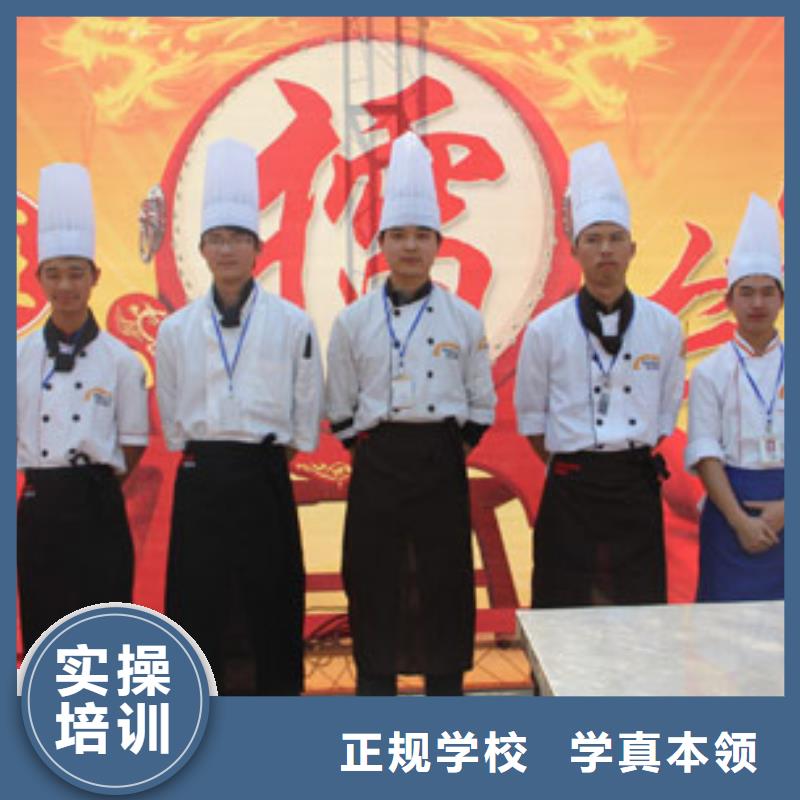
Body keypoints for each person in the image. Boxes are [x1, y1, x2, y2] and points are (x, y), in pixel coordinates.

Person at [326, 131, 496, 696]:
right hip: (377, 464)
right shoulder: (353, 321)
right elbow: (340, 407)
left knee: (444, 582)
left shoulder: (464, 318)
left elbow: (480, 404)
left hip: (440, 463)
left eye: (422, 235)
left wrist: (443, 449)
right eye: (398, 235)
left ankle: (445, 696)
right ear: (381, 243)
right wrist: (375, 448)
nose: (410, 247)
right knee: (373, 579)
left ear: (438, 244)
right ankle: (375, 693)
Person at [155, 138, 323, 695]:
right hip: (200, 477)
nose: (227, 250)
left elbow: (304, 411)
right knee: (198, 604)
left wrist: (260, 459)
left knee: (270, 603)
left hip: (264, 475)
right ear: (203, 249)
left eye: (238, 238)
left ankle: (274, 722)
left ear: (258, 248)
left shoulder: (293, 323)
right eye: (217, 239)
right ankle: (202, 716)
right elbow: (172, 414)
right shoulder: (174, 330)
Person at [514, 141, 684, 609]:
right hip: (571, 486)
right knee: (563, 607)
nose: (605, 249)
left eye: (615, 238)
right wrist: (576, 458)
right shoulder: (545, 329)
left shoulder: (665, 327)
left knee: (640, 606)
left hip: (635, 484)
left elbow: (664, 414)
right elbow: (533, 421)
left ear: (632, 248)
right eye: (593, 239)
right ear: (575, 249)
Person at [17, 162, 149, 653]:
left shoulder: (122, 359)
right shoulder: (18, 357)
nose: (66, 286)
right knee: (43, 625)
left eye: (76, 274)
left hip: (99, 504)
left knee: (104, 625)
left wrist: (92, 484)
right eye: (54, 275)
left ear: (95, 277)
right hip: (40, 504)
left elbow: (132, 443)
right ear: (39, 278)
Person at [685, 194, 784, 602]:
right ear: (729, 301)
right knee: (724, 628)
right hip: (729, 512)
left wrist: (786, 510)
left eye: (767, 292)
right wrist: (740, 521)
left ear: (782, 299)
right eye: (746, 292)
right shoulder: (711, 371)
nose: (757, 303)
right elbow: (705, 453)